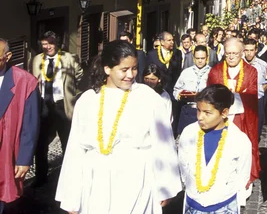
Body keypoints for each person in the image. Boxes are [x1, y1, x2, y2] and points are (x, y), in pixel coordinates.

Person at [55, 40, 181, 213]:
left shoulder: (148, 98)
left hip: (136, 180)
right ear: (107, 69)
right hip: (96, 182)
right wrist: (72, 197)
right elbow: (75, 149)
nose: (130, 75)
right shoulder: (88, 100)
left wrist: (166, 186)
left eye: (134, 68)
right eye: (124, 70)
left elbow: (164, 145)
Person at [178, 84, 252, 214]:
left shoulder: (239, 139)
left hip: (224, 205)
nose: (200, 117)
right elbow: (183, 165)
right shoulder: (189, 133)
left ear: (224, 112)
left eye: (207, 113)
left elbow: (242, 176)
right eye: (198, 110)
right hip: (193, 203)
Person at [31, 30, 83, 186]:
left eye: (51, 43)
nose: (48, 47)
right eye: (44, 44)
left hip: (62, 105)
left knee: (67, 141)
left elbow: (79, 73)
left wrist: (70, 90)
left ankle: (69, 176)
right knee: (41, 143)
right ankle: (41, 177)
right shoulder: (36, 60)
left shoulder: (68, 58)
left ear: (57, 43)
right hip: (43, 106)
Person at [206, 38, 260, 187]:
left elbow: (252, 96)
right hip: (219, 121)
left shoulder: (251, 72)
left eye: (235, 53)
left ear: (242, 53)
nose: (231, 57)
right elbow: (209, 96)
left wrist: (232, 95)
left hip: (241, 119)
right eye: (228, 53)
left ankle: (242, 186)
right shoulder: (215, 71)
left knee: (240, 152)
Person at [0, 38, 40, 213]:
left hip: (6, 150)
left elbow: (30, 125)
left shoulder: (25, 81)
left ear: (7, 56)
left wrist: (24, 159)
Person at [173, 45, 211, 136]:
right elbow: (176, 90)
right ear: (193, 58)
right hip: (188, 110)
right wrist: (181, 95)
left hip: (205, 111)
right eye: (197, 58)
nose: (200, 61)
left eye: (202, 58)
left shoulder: (212, 72)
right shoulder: (186, 72)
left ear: (207, 58)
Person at [242, 38, 267, 137]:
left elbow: (266, 83)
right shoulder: (239, 64)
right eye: (247, 50)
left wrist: (260, 91)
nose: (249, 53)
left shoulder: (263, 65)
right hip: (243, 101)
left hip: (257, 100)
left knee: (257, 129)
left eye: (251, 50)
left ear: (256, 50)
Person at [145, 31, 182, 96]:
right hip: (157, 90)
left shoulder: (177, 53)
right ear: (162, 42)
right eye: (169, 40)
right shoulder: (152, 54)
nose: (172, 42)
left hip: (172, 90)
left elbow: (178, 72)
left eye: (172, 40)